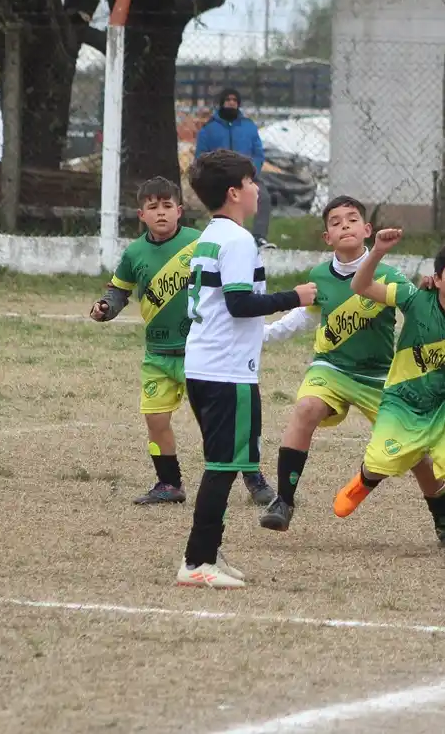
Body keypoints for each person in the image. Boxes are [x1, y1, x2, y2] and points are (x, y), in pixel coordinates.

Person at [257, 195, 445, 547]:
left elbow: (419, 309)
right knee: (306, 408)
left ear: (367, 229)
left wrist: (432, 292)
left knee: (416, 453)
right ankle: (284, 501)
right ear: (327, 238)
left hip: (380, 375)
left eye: (352, 219)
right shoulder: (320, 276)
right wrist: (261, 336)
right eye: (335, 222)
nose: (344, 226)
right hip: (332, 367)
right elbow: (303, 317)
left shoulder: (388, 274)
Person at [176, 149, 316, 589]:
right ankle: (197, 562)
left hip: (208, 366)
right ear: (235, 192)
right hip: (225, 373)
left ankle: (209, 550)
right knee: (223, 465)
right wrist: (295, 296)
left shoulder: (212, 236)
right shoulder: (237, 240)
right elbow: (239, 304)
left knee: (227, 460)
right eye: (252, 181)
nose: (258, 188)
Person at [333, 230, 445, 567]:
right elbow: (360, 287)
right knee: (381, 462)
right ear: (437, 279)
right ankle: (365, 478)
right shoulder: (415, 299)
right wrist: (377, 252)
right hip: (400, 402)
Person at [89, 177, 202, 505]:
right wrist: (106, 307)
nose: (162, 213)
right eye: (153, 208)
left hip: (200, 352)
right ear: (141, 215)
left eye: (168, 206)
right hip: (158, 354)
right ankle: (169, 483)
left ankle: (251, 476)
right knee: (155, 419)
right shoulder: (134, 253)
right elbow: (118, 290)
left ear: (180, 211)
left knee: (216, 421)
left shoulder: (200, 242)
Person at [194, 88, 271, 248]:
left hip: (247, 175)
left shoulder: (249, 127)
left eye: (234, 101)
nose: (231, 103)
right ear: (221, 103)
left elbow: (258, 154)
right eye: (228, 100)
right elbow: (201, 156)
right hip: (220, 177)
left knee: (263, 197)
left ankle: (259, 237)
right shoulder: (209, 129)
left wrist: (251, 172)